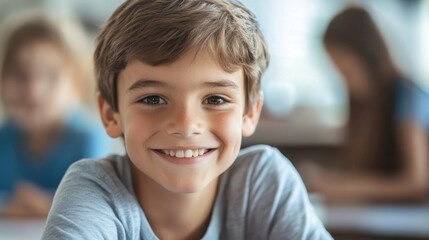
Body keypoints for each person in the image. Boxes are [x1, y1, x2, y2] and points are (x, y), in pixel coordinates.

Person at [42, 0, 333, 239]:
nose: (185, 124)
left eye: (215, 100)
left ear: (250, 113)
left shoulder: (263, 183)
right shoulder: (95, 189)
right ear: (110, 114)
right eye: (153, 99)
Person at [304, 6, 429, 203]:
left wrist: (344, 187)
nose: (343, 78)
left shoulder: (407, 94)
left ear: (365, 55)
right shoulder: (362, 104)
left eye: (346, 68)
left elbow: (417, 182)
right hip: (374, 216)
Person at [0, 14, 112, 218]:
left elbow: (95, 205)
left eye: (51, 75)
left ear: (77, 82)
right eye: (20, 74)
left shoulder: (87, 139)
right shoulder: (3, 138)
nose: (33, 89)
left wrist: (46, 206)